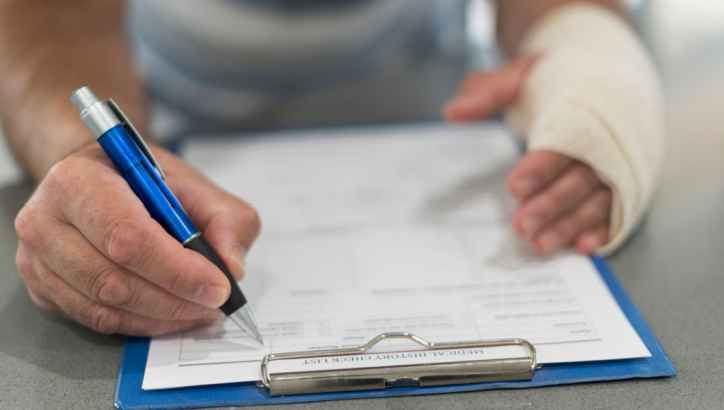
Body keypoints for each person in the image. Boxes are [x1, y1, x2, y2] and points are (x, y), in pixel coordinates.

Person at [0, 0, 663, 336]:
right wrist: (80, 166)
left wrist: (588, 82)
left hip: (433, 122)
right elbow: (56, 18)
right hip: (167, 118)